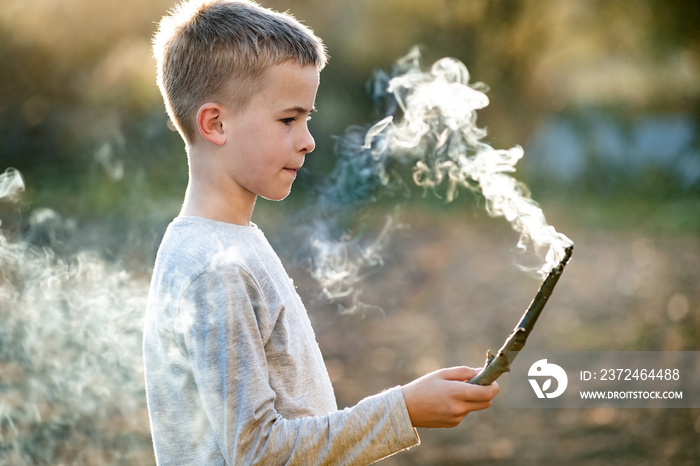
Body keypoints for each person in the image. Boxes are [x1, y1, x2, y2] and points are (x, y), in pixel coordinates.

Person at [143, 0, 499, 464]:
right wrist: (403, 411)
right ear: (215, 123)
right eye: (288, 120)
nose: (308, 139)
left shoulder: (232, 244)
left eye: (306, 119)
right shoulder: (216, 271)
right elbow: (258, 453)